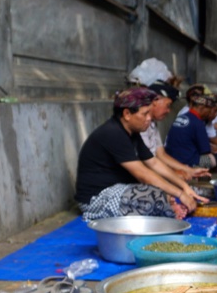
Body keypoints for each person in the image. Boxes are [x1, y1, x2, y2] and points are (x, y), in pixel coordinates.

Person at [75, 87, 206, 222]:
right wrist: (180, 194)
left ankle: (165, 207)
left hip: (122, 189)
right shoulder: (113, 133)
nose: (149, 118)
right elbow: (143, 174)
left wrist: (184, 187)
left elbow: (153, 162)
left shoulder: (132, 132)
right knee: (153, 195)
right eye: (145, 114)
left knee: (163, 190)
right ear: (127, 114)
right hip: (97, 199)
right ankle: (166, 208)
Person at [141, 82, 209, 181]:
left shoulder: (153, 124)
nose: (168, 111)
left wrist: (189, 170)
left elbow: (161, 154)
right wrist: (173, 174)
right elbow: (147, 163)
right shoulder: (140, 124)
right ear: (156, 100)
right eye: (168, 105)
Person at [165, 85, 217, 172]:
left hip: (171, 159)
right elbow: (205, 152)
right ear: (202, 108)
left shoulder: (183, 116)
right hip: (188, 162)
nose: (209, 113)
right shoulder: (198, 122)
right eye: (209, 110)